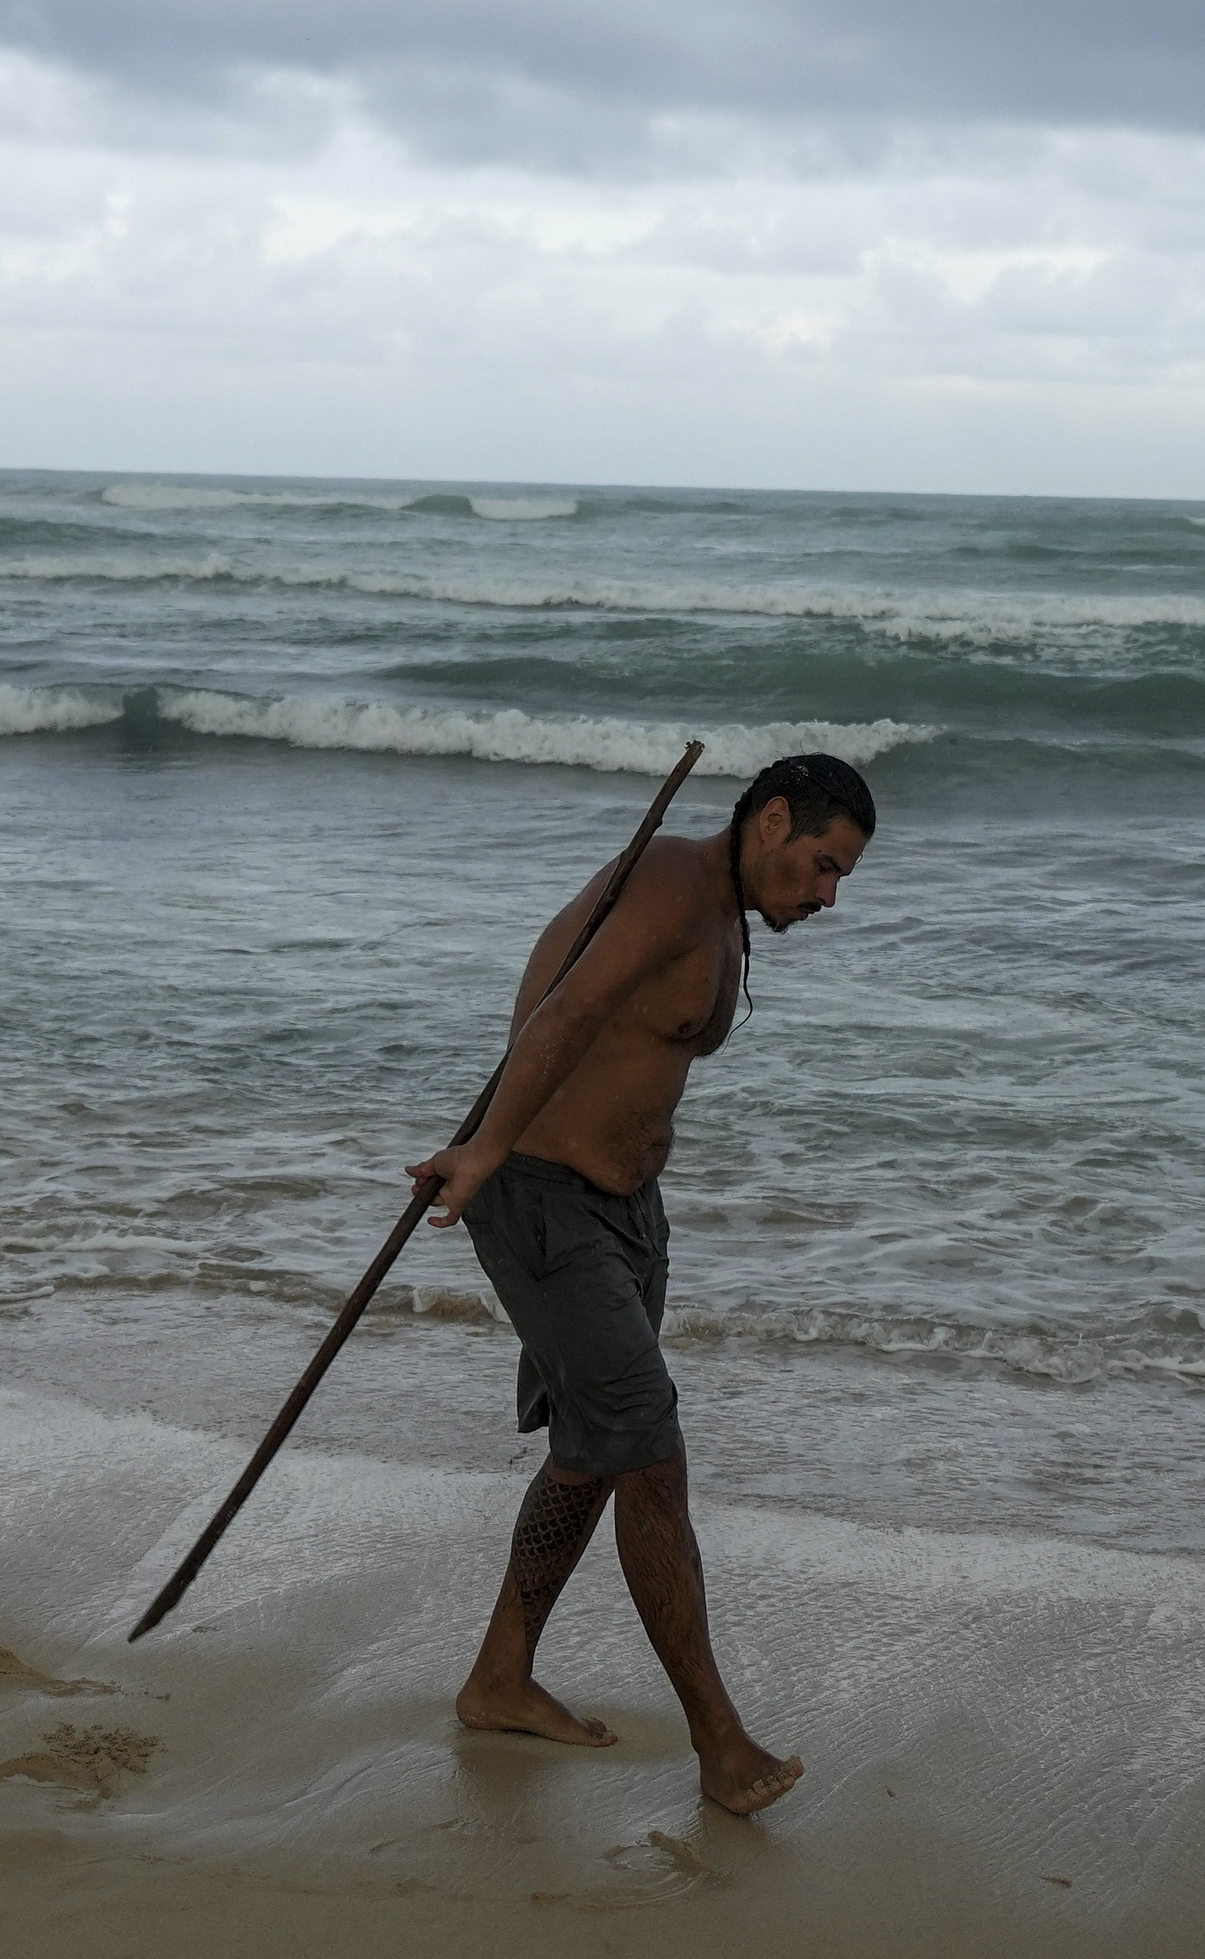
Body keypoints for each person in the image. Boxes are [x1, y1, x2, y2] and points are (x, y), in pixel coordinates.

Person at [408, 747, 877, 1819]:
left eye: (842, 877)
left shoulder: (717, 909)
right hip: (542, 1202)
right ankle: (719, 1742)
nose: (827, 896)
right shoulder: (672, 882)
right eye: (821, 865)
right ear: (768, 823)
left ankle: (499, 1678)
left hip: (622, 1218)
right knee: (650, 1456)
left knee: (592, 1457)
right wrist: (480, 1157)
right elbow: (565, 1016)